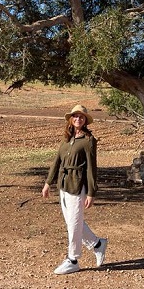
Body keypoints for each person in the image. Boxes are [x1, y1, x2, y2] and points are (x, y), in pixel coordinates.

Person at [42, 104, 108, 275]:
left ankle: (73, 259)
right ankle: (98, 244)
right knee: (74, 222)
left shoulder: (88, 140)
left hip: (78, 186)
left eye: (81, 117)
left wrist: (92, 192)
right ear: (71, 119)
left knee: (74, 223)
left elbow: (91, 168)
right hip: (64, 185)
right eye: (75, 116)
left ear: (85, 120)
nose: (78, 119)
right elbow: (57, 161)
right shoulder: (67, 138)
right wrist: (48, 182)